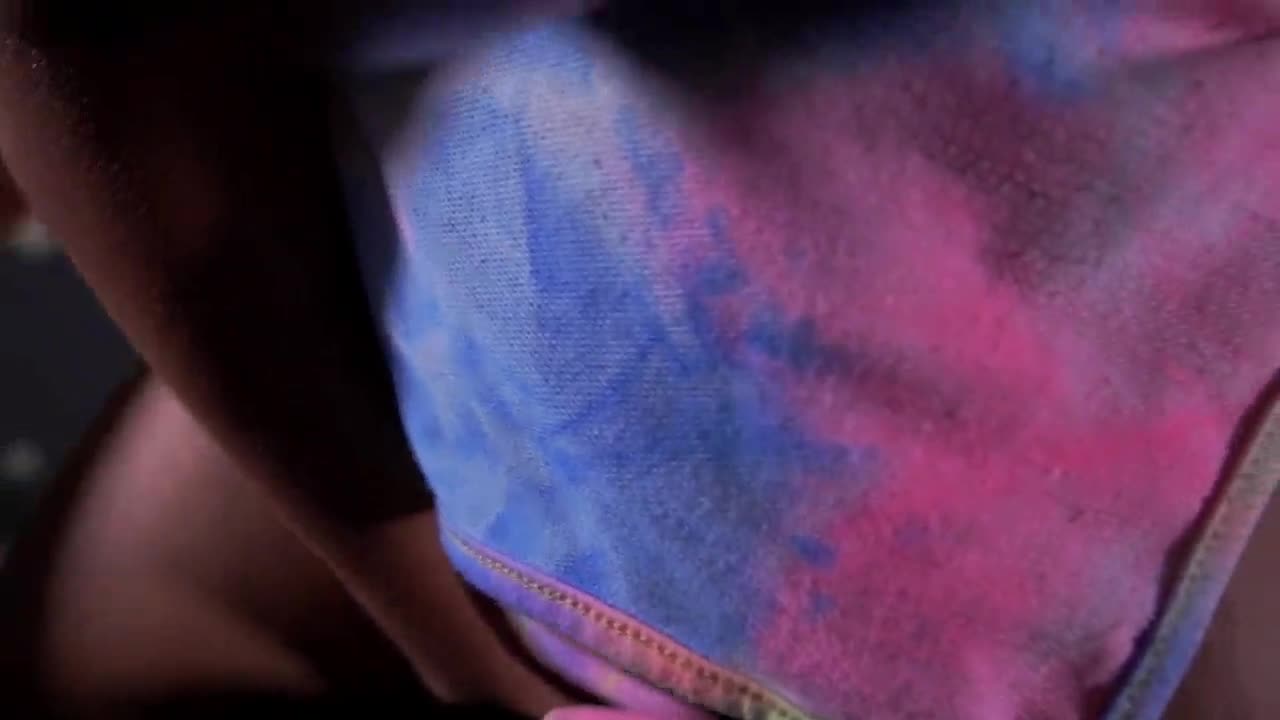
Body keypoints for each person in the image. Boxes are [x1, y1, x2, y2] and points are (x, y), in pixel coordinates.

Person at [1, 2, 1278, 718]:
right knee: (118, 641)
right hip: (504, 334)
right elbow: (80, 40)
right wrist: (450, 644)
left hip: (1084, 448)